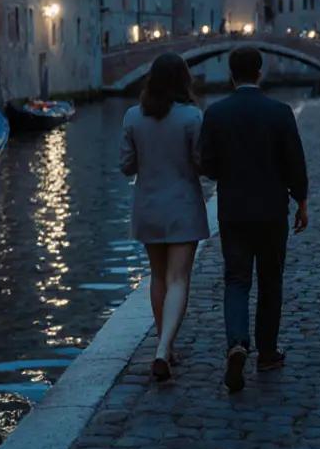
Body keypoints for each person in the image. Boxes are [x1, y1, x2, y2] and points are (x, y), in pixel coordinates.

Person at [200, 46, 309, 393]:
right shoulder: (280, 113)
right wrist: (301, 202)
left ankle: (236, 343)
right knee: (271, 280)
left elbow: (209, 168)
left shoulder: (215, 114)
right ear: (259, 72)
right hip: (272, 212)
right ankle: (267, 353)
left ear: (231, 74)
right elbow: (295, 163)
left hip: (233, 211)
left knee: (236, 279)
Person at [119, 52, 211, 382]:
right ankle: (163, 349)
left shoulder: (132, 116)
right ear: (183, 81)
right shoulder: (191, 117)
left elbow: (126, 165)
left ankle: (165, 346)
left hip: (147, 207)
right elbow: (202, 164)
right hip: (183, 205)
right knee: (178, 279)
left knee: (158, 277)